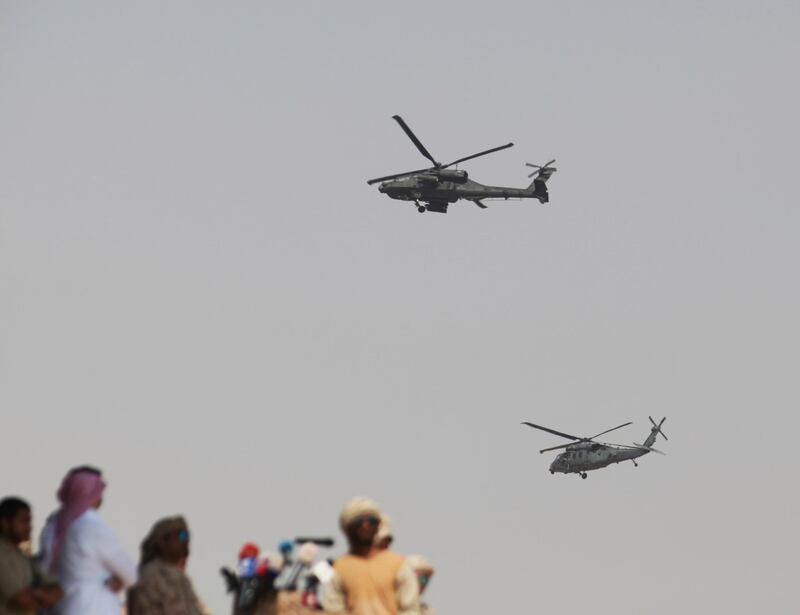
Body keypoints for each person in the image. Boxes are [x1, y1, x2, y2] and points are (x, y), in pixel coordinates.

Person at [50, 469, 137, 615]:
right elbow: (130, 573)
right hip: (93, 606)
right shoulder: (91, 526)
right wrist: (114, 581)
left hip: (65, 605)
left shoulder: (55, 525)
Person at [322, 497, 419, 615]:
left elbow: (410, 609)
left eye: (371, 521)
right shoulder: (340, 569)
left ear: (377, 526)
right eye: (359, 522)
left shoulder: (397, 565)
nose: (365, 526)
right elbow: (334, 609)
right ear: (347, 529)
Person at [127, 516, 204, 615]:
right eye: (182, 535)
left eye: (187, 535)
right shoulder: (150, 575)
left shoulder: (181, 577)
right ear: (162, 542)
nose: (186, 540)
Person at [0, 497, 62, 615]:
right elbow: (25, 601)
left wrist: (37, 593)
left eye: (29, 521)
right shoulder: (2, 556)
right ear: (5, 523)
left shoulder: (24, 558)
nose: (29, 527)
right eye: (23, 521)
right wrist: (42, 594)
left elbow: (58, 591)